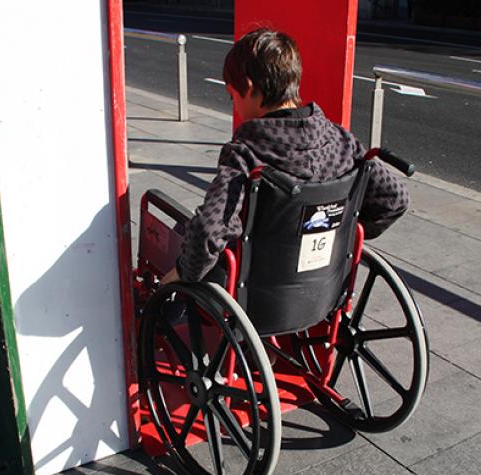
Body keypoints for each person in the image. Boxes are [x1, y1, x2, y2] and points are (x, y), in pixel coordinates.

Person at [162, 28, 408, 285]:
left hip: (255, 290)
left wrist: (181, 273)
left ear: (248, 87)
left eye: (232, 95)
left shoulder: (245, 153)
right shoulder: (342, 142)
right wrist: (339, 233)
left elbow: (209, 229)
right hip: (323, 287)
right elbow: (395, 199)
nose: (234, 104)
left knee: (185, 234)